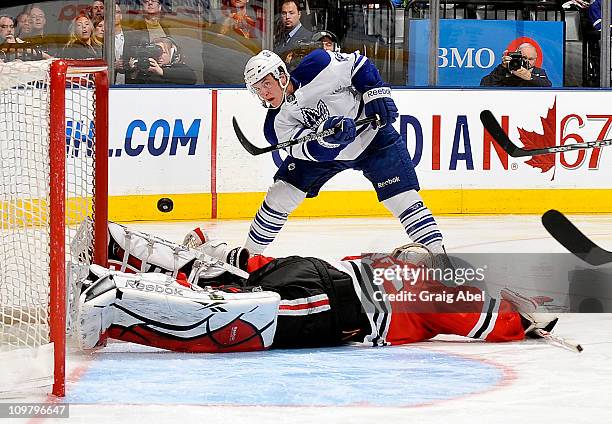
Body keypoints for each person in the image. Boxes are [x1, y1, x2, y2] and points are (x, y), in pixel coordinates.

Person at [75, 221, 559, 352]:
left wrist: (240, 257)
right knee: (224, 314)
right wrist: (524, 321)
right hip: (329, 306)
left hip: (311, 270)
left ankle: (113, 249)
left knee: (216, 267)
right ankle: (115, 303)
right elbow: (487, 320)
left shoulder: (383, 260)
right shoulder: (431, 289)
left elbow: (293, 266)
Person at [240, 49, 446, 263]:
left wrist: (376, 93)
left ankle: (440, 258)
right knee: (280, 195)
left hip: (372, 136)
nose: (263, 93)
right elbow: (310, 152)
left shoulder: (317, 64)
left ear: (281, 76)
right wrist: (328, 137)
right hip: (327, 157)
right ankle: (247, 258)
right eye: (256, 89)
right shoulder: (274, 126)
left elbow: (358, 65)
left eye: (266, 83)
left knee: (403, 198)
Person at [126, 36, 197, 84]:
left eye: (163, 52)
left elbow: (191, 77)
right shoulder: (148, 69)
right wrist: (133, 73)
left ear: (172, 54)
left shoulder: (180, 69)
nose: (159, 56)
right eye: (155, 52)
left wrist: (161, 71)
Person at [480, 43, 552, 87]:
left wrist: (530, 77)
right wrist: (503, 68)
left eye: (530, 59)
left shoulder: (538, 72)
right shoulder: (506, 69)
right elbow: (485, 84)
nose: (527, 62)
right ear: (516, 56)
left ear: (535, 59)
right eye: (524, 58)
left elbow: (547, 86)